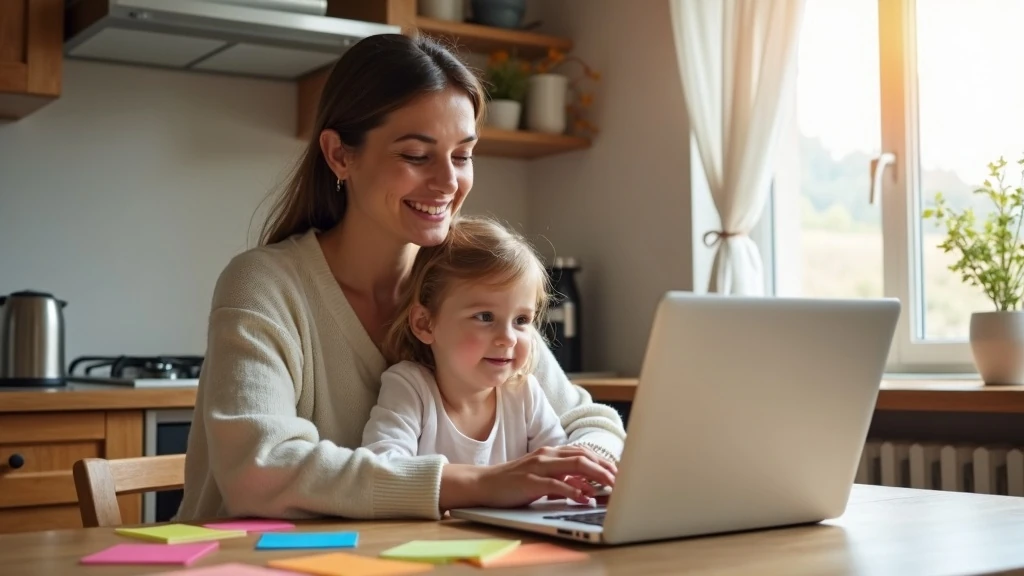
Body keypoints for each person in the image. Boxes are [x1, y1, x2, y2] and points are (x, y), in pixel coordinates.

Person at [174, 33, 625, 523]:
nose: (449, 183)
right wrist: (483, 483)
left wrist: (583, 467)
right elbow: (259, 473)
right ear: (340, 155)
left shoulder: (467, 286)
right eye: (416, 155)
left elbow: (592, 423)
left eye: (463, 155)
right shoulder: (264, 285)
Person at [361, 215, 605, 502]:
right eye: (485, 317)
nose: (508, 338)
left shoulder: (525, 393)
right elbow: (380, 470)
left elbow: (559, 468)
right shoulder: (409, 387)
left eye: (522, 320)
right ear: (425, 324)